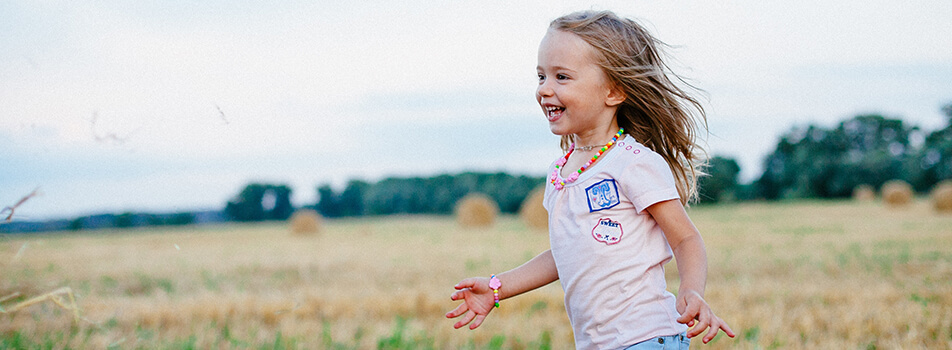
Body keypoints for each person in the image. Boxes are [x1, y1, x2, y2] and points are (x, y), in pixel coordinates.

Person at [445, 10, 735, 349]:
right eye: (541, 77)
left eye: (562, 77)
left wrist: (690, 290)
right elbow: (567, 252)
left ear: (613, 92)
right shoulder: (561, 172)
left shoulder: (633, 163)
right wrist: (498, 287)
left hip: (648, 338)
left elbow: (685, 239)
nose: (545, 90)